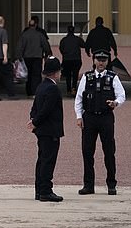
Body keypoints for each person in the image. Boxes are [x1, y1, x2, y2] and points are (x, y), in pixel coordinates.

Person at [74, 50, 126, 195]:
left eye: (104, 59)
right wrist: (79, 117)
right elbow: (79, 99)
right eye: (98, 59)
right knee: (87, 152)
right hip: (89, 118)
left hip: (105, 118)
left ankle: (111, 184)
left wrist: (115, 103)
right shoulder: (87, 76)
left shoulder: (112, 77)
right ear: (94, 60)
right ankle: (88, 185)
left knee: (109, 151)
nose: (101, 62)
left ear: (107, 61)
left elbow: (122, 95)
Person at [27, 56, 64, 202]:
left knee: (41, 160)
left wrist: (33, 119)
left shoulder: (41, 86)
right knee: (48, 161)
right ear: (55, 73)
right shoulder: (53, 89)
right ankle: (46, 190)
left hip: (42, 130)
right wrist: (35, 121)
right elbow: (46, 110)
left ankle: (39, 190)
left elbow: (35, 107)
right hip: (50, 130)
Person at [18, 19, 52, 97]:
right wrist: (48, 54)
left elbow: (20, 47)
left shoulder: (24, 35)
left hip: (27, 57)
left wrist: (19, 56)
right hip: (37, 57)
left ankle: (29, 91)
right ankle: (35, 91)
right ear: (36, 25)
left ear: (28, 25)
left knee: (29, 74)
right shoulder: (39, 35)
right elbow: (45, 45)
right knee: (36, 75)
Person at [59, 25, 86, 96]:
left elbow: (61, 49)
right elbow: (84, 45)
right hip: (76, 59)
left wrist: (65, 55)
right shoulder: (77, 39)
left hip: (67, 59)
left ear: (67, 30)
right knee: (75, 74)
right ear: (73, 31)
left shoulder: (64, 40)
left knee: (68, 75)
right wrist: (81, 39)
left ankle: (68, 89)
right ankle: (74, 88)